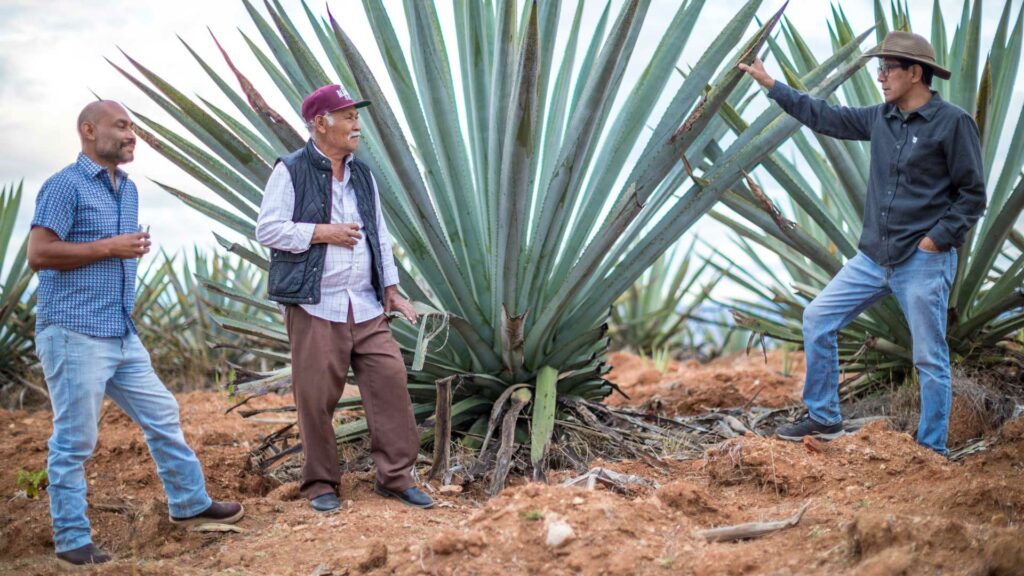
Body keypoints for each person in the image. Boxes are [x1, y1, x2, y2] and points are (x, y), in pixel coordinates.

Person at [738, 31, 986, 455]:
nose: (880, 76)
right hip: (873, 257)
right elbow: (826, 116)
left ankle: (931, 450)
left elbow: (972, 195)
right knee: (818, 318)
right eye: (879, 68)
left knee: (929, 357)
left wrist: (935, 241)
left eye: (888, 69)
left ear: (915, 73)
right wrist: (771, 85)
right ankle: (824, 417)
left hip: (922, 261)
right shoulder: (881, 118)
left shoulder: (953, 123)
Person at [27, 100, 244, 568]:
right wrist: (110, 248)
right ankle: (70, 541)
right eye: (121, 126)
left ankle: (189, 505)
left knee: (163, 413)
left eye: (133, 127)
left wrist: (116, 253)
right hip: (74, 332)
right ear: (88, 130)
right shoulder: (63, 186)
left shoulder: (127, 189)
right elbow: (39, 254)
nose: (132, 135)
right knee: (75, 440)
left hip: (120, 332)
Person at [256, 84, 432, 512]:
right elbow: (267, 229)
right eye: (348, 116)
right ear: (320, 124)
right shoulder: (290, 170)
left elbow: (379, 235)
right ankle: (320, 484)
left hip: (365, 303)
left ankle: (394, 477)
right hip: (316, 303)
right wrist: (321, 233)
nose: (357, 124)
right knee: (316, 397)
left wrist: (389, 289)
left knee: (389, 380)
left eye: (357, 116)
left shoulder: (363, 174)